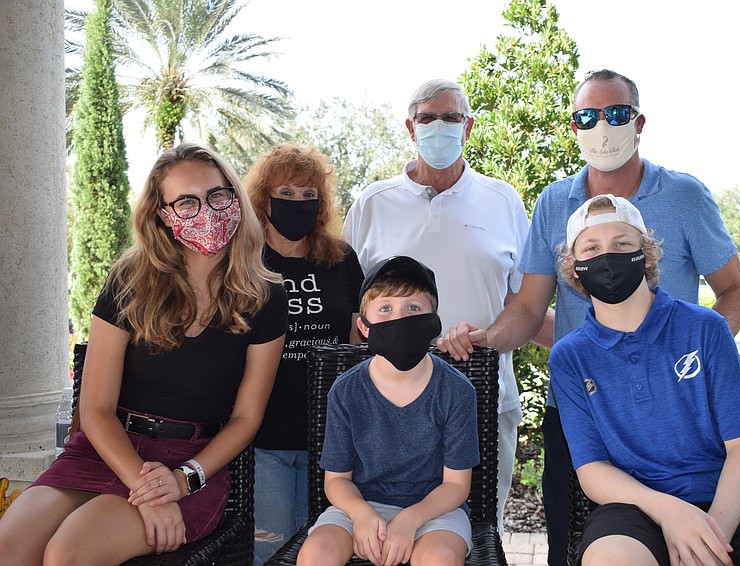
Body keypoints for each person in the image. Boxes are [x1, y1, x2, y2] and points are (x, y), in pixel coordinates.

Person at [438, 69, 740, 564]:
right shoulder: (553, 203)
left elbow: (736, 292)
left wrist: (695, 360)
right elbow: (527, 306)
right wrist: (487, 339)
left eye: (616, 114)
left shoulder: (684, 196)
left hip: (683, 415)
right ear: (574, 127)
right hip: (587, 410)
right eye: (588, 116)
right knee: (571, 547)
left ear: (639, 121)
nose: (602, 126)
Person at [0, 143, 289, 565]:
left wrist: (180, 481)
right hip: (106, 448)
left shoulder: (265, 296)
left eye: (217, 195)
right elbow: (95, 407)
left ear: (235, 197)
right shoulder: (130, 279)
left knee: (67, 554)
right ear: (162, 214)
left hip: (191, 465)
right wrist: (147, 488)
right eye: (186, 202)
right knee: (9, 547)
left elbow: (247, 417)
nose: (206, 210)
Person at [549, 194, 740, 566]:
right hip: (635, 509)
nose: (608, 257)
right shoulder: (570, 356)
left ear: (646, 255)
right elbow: (592, 470)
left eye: (622, 244)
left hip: (731, 504)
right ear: (573, 267)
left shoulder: (705, 328)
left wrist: (712, 536)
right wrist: (670, 512)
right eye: (592, 247)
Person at [342, 79, 529, 531]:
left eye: (451, 118)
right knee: (383, 529)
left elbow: (525, 303)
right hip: (384, 405)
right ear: (411, 127)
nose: (439, 126)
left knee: (483, 531)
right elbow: (353, 312)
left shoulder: (503, 201)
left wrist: (489, 340)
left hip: (485, 397)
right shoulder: (372, 202)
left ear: (468, 128)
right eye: (428, 117)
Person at [297, 256, 479, 566]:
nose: (399, 318)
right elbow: (336, 480)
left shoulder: (456, 390)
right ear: (363, 327)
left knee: (440, 559)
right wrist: (363, 515)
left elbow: (456, 486)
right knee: (316, 554)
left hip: (435, 511)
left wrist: (410, 520)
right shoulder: (345, 390)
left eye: (413, 308)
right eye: (385, 309)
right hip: (359, 506)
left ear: (433, 322)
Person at [244, 143, 364, 564]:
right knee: (271, 552)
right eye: (287, 193)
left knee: (326, 553)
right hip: (264, 439)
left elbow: (357, 341)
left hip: (334, 440)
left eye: (308, 195)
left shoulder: (342, 260)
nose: (298, 203)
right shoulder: (243, 264)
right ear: (262, 200)